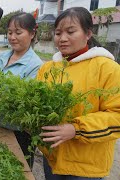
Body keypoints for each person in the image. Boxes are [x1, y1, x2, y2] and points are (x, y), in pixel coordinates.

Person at [37, 7, 120, 179]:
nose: (62, 38)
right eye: (58, 33)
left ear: (88, 34)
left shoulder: (107, 68)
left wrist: (76, 129)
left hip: (85, 166)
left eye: (71, 31)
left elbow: (117, 116)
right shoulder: (48, 67)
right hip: (52, 158)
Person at [0, 12, 43, 168]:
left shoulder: (36, 65)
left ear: (32, 33)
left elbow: (25, 102)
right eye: (9, 32)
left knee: (18, 169)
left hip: (21, 132)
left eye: (18, 32)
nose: (12, 37)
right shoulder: (2, 57)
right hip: (0, 124)